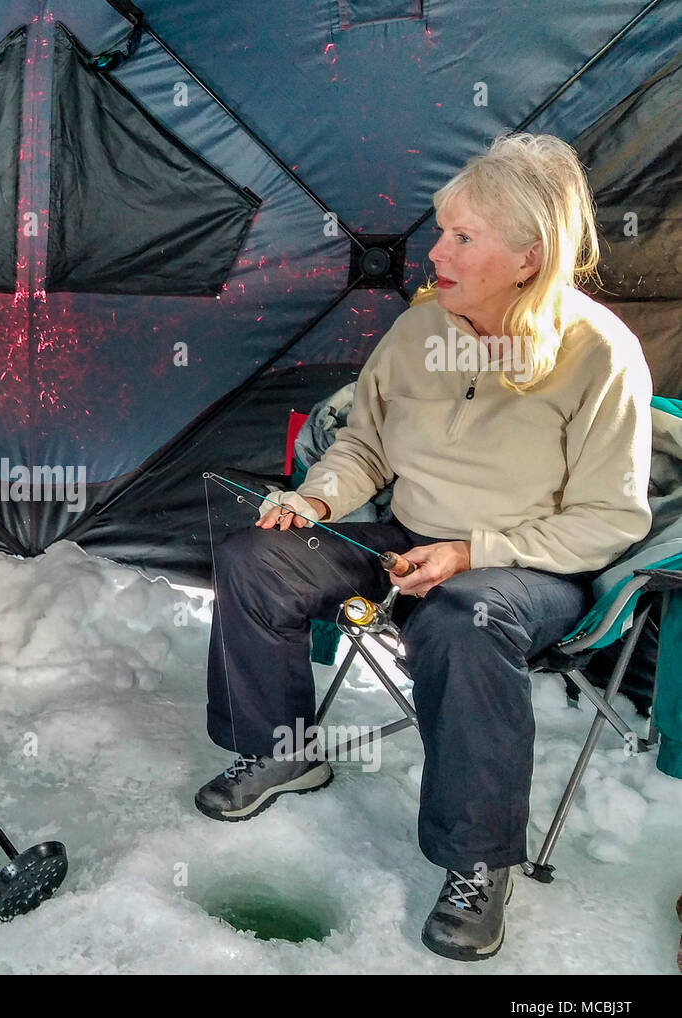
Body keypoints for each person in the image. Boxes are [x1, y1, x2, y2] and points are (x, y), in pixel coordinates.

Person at [199, 132, 653, 961]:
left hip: (528, 567)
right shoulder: (420, 332)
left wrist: (474, 551)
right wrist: (316, 497)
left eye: (463, 237)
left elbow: (610, 520)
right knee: (253, 559)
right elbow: (365, 442)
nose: (434, 252)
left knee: (459, 617)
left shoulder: (600, 355)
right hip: (408, 540)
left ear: (529, 256)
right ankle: (279, 751)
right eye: (441, 231)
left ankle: (478, 860)